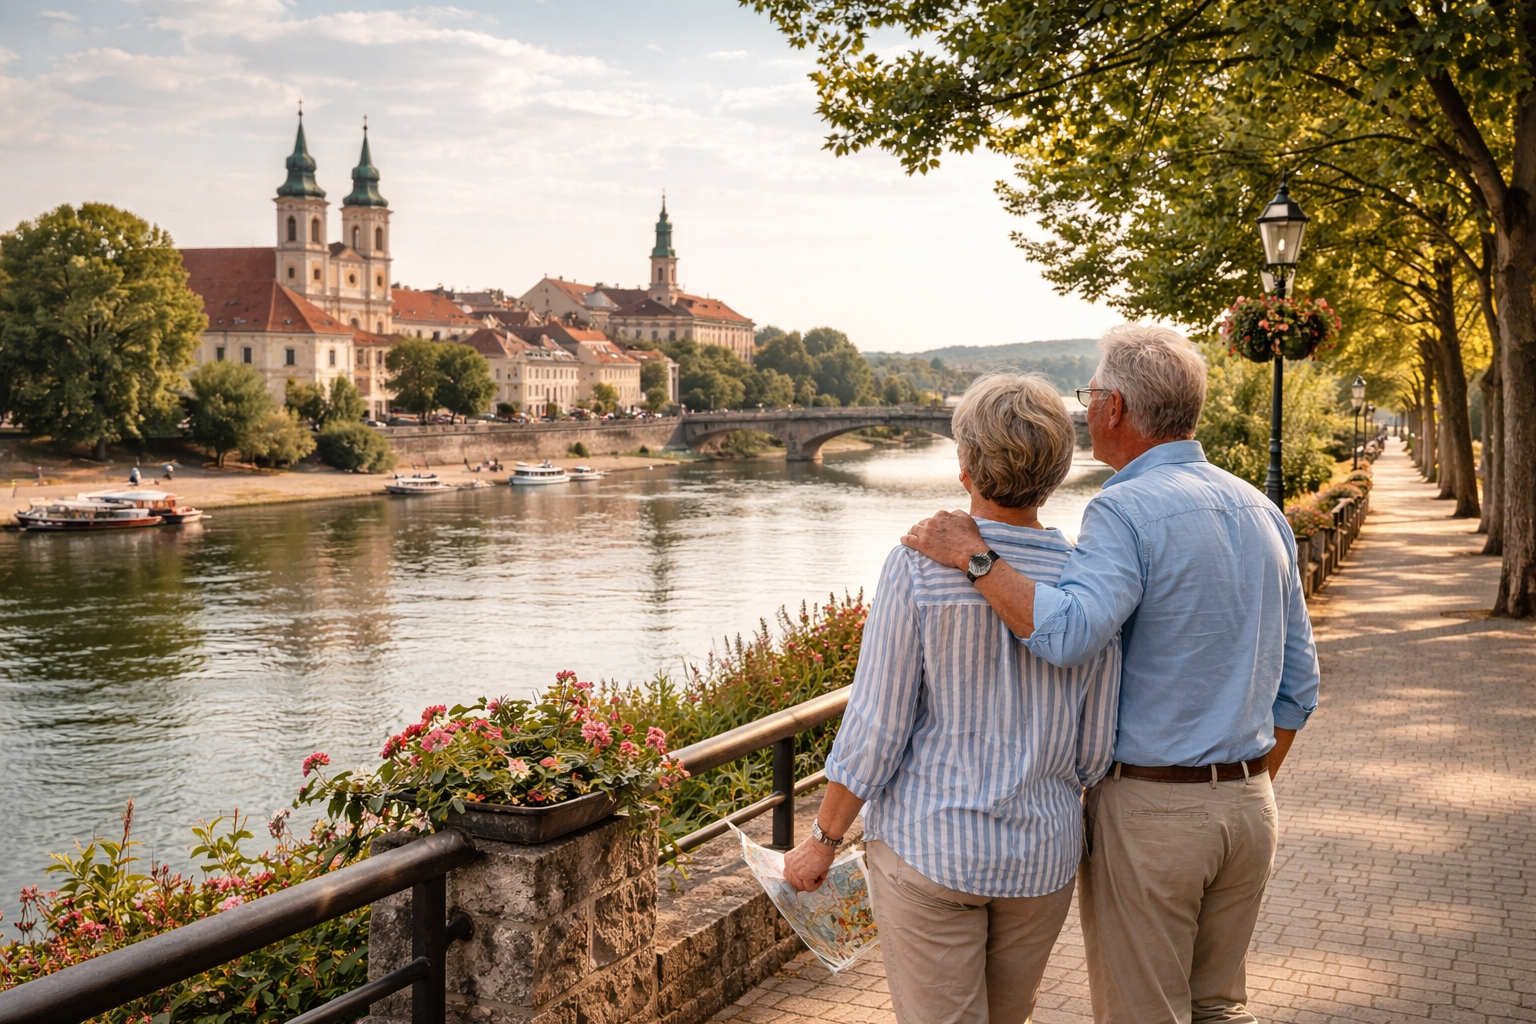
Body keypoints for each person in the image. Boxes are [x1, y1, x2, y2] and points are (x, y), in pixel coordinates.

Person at [903, 324, 1319, 1024]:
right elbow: (1300, 688)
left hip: (1156, 812)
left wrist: (976, 559)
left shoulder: (1124, 508)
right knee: (1218, 1007)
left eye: (1090, 393)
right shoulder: (1262, 509)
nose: (1087, 406)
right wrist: (1237, 785)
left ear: (1115, 407)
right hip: (1251, 810)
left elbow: (1066, 636)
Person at [783, 372, 1121, 1024]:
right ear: (1058, 470)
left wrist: (823, 840)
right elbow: (1093, 748)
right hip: (1040, 857)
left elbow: (878, 725)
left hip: (931, 849)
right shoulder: (1086, 580)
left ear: (965, 464)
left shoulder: (918, 565)